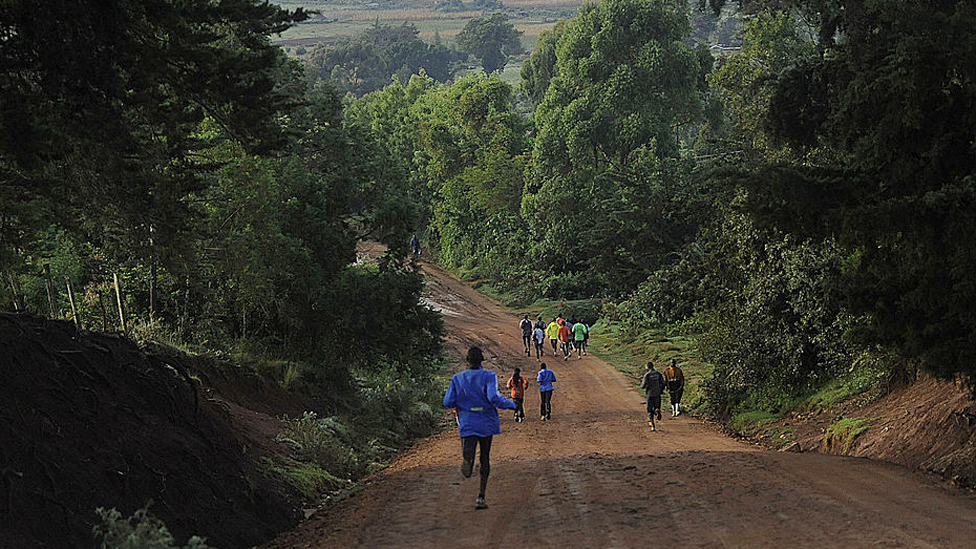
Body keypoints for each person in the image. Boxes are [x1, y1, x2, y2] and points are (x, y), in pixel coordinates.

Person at [443, 346, 517, 509]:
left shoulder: (457, 379)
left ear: (467, 361)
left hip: (467, 422)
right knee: (485, 457)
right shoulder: (489, 376)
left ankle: (467, 458)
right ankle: (481, 497)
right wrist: (512, 405)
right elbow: (493, 398)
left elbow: (448, 401)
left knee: (469, 447)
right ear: (482, 360)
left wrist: (463, 401)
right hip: (486, 421)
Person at [640, 362, 666, 431]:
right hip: (657, 394)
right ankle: (657, 410)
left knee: (649, 411)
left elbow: (642, 386)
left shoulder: (647, 375)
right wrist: (660, 390)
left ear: (647, 367)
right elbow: (663, 383)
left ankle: (653, 426)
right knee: (656, 406)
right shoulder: (658, 374)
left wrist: (642, 383)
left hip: (650, 394)